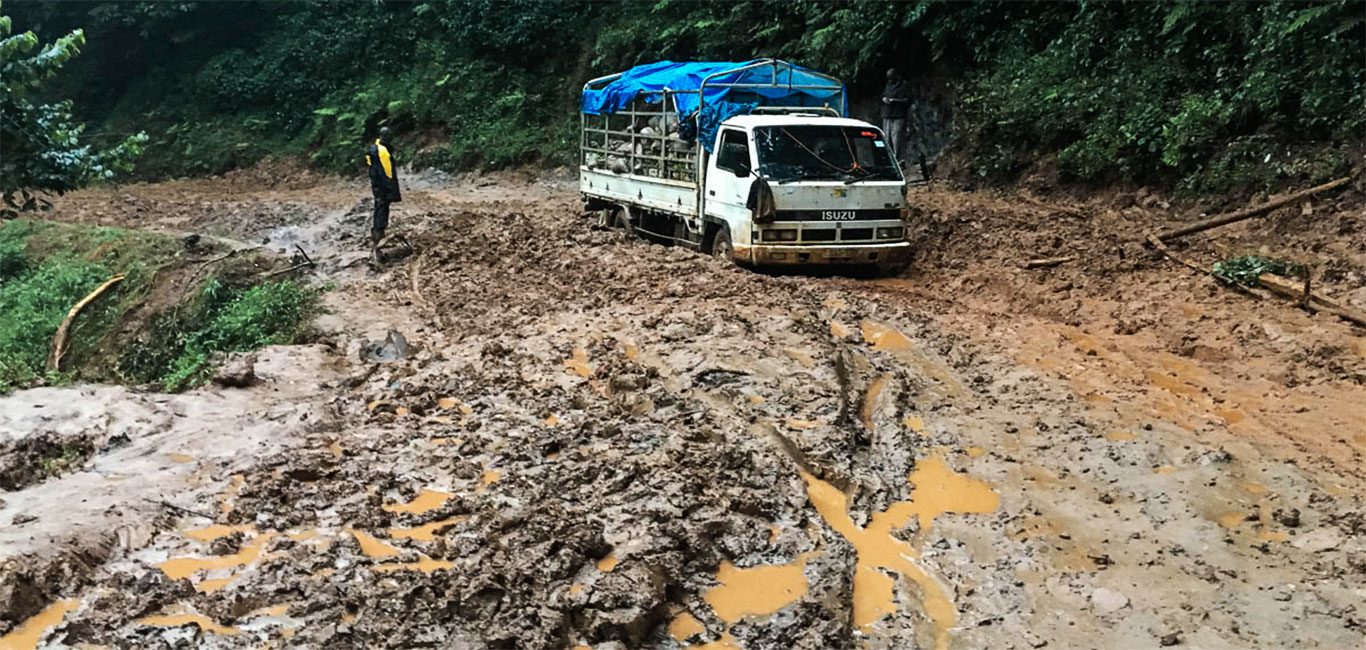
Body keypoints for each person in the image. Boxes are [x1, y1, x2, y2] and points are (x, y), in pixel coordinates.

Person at [365, 127, 402, 263]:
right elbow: (386, 173)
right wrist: (390, 190)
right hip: (382, 187)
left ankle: (377, 235)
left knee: (380, 207)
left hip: (378, 186)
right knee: (382, 208)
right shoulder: (381, 151)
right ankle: (378, 238)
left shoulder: (375, 149)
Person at [880, 68, 913, 170]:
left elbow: (909, 100)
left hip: (899, 115)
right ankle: (889, 160)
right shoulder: (888, 85)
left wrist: (895, 101)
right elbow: (883, 95)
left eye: (891, 78)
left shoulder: (904, 85)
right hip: (887, 115)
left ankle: (899, 161)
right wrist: (884, 99)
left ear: (896, 76)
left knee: (897, 139)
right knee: (886, 138)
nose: (890, 80)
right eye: (888, 78)